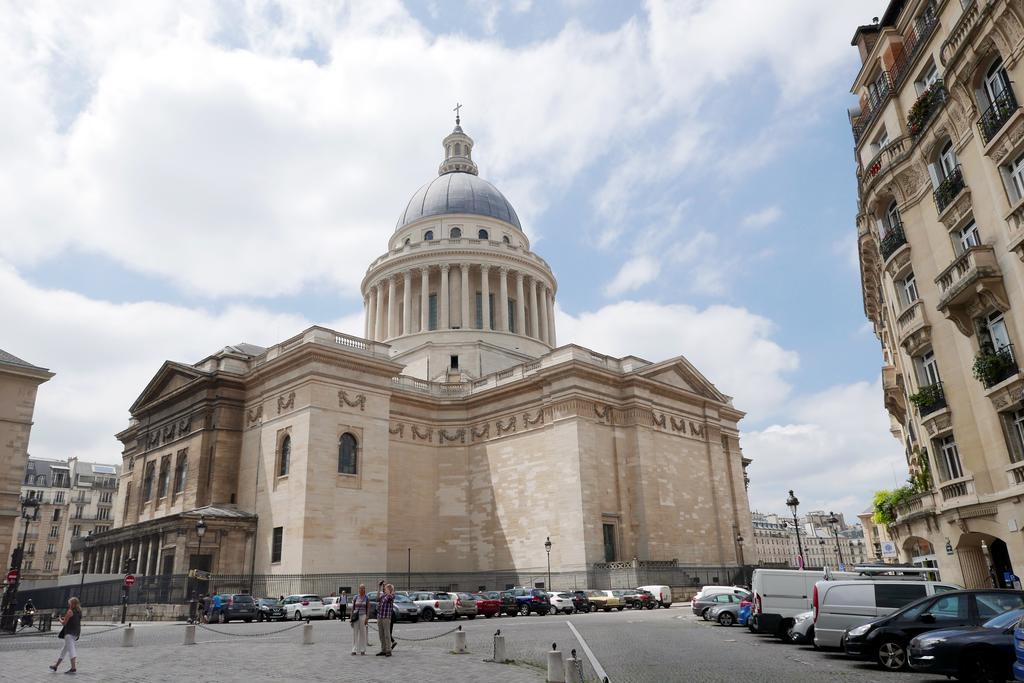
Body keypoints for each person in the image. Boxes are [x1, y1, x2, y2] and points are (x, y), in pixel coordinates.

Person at [50, 596, 82, 674]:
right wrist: (66, 618)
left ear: (72, 604)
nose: (69, 605)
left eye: (70, 603)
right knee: (64, 650)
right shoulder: (79, 611)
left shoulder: (70, 611)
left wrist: (60, 619)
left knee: (71, 650)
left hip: (69, 633)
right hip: (76, 633)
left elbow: (64, 623)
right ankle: (56, 666)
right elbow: (74, 620)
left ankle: (73, 668)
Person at [375, 581, 393, 657]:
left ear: (389, 589)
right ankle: (383, 650)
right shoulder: (383, 596)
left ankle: (388, 650)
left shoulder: (391, 596)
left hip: (386, 618)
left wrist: (389, 589)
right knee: (381, 634)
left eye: (385, 588)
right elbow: (377, 598)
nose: (384, 589)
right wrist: (379, 587)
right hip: (380, 617)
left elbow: (390, 597)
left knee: (387, 634)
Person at [350, 584, 368, 655]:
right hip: (356, 616)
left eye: (363, 588)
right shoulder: (355, 597)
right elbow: (353, 608)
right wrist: (351, 617)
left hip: (363, 616)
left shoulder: (366, 598)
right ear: (358, 589)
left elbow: (368, 608)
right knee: (355, 633)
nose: (361, 590)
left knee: (363, 633)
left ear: (364, 589)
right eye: (360, 588)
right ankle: (354, 649)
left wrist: (367, 617)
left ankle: (362, 649)